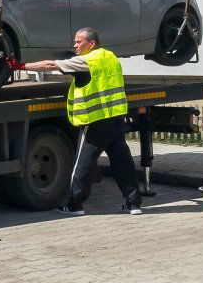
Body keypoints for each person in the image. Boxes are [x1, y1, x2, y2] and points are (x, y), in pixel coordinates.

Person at [12, 27, 143, 216]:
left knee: (82, 164)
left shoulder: (86, 61)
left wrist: (21, 66)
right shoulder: (110, 57)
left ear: (92, 43)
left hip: (96, 121)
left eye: (78, 42)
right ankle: (134, 204)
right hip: (115, 119)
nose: (75, 45)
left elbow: (50, 65)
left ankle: (74, 205)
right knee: (123, 163)